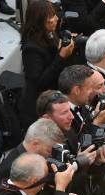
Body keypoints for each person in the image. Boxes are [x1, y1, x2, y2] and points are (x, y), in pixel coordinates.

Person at [18, 0, 75, 129]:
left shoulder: (50, 35)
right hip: (38, 109)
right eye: (51, 16)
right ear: (40, 21)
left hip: (53, 99)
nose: (56, 18)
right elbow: (40, 82)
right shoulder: (31, 49)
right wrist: (61, 56)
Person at [0, 118, 65, 184]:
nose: (51, 155)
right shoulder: (9, 170)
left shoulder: (35, 157)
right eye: (49, 150)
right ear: (35, 143)